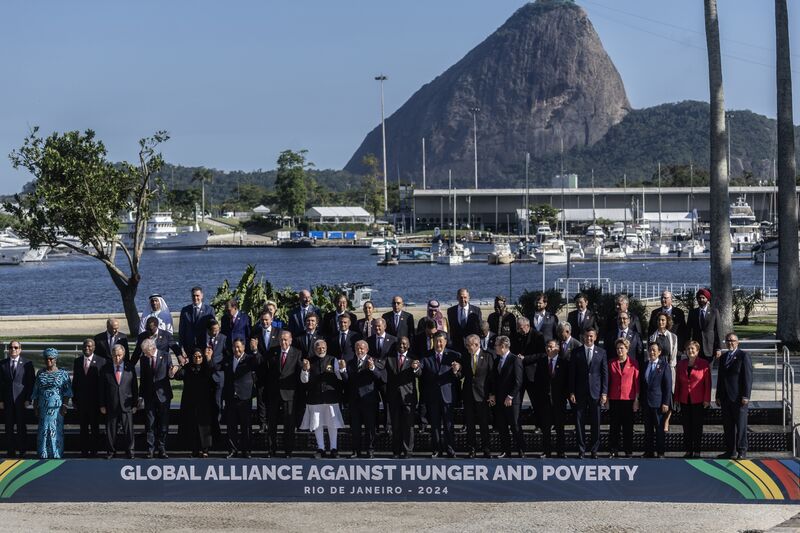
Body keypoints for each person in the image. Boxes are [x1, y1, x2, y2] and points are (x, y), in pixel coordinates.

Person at [419, 331, 462, 458]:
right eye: (436, 341)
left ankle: (450, 449)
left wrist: (456, 371)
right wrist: (416, 368)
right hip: (432, 396)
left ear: (445, 342)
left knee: (449, 425)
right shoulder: (426, 355)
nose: (438, 344)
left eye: (441, 341)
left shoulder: (454, 355)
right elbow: (419, 371)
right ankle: (436, 449)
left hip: (447, 396)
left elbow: (460, 376)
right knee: (435, 425)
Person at [300, 340, 345, 458]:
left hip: (331, 397)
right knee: (317, 424)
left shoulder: (333, 360)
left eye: (323, 347)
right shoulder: (309, 360)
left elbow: (340, 377)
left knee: (332, 424)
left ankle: (334, 448)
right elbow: (304, 380)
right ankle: (321, 448)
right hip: (314, 398)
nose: (321, 349)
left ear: (326, 348)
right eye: (319, 348)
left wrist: (341, 369)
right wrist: (305, 369)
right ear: (315, 349)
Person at [341, 340, 386, 458]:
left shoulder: (373, 360)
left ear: (366, 349)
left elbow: (379, 377)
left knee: (370, 427)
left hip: (369, 399)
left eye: (361, 348)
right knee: (355, 427)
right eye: (357, 349)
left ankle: (370, 450)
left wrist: (372, 368)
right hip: (354, 400)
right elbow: (347, 380)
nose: (359, 351)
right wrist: (343, 370)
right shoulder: (350, 363)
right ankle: (356, 450)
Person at [569, 328, 607, 459]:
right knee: (579, 422)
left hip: (596, 393)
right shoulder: (576, 352)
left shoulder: (602, 352)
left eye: (591, 336)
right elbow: (572, 374)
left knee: (596, 422)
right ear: (583, 337)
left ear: (595, 337)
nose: (589, 338)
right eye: (586, 336)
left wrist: (604, 393)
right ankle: (581, 449)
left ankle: (594, 450)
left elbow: (604, 374)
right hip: (579, 392)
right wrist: (572, 391)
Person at [265, 331, 303, 457]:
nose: (284, 342)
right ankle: (272, 449)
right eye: (281, 340)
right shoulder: (273, 351)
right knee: (272, 424)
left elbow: (298, 374)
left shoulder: (297, 353)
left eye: (286, 340)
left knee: (289, 424)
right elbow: (268, 371)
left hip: (289, 394)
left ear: (291, 340)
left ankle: (288, 451)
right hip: (274, 393)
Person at [172, 348, 215, 458]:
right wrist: (180, 365)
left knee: (204, 427)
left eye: (200, 356)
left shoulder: (206, 367)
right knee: (192, 426)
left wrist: (209, 359)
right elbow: (177, 376)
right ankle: (194, 449)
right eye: (195, 356)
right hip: (190, 402)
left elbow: (212, 373)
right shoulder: (188, 368)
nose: (197, 358)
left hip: (204, 402)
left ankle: (205, 449)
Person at [31, 348, 73, 459]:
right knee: (43, 430)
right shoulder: (40, 373)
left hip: (57, 408)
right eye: (46, 359)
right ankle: (43, 453)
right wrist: (35, 407)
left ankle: (56, 453)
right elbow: (36, 390)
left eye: (51, 359)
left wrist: (65, 405)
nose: (48, 361)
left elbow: (67, 391)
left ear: (55, 359)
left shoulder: (63, 373)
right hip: (43, 407)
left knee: (56, 431)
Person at [716, 333, 752, 459]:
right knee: (728, 426)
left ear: (737, 342)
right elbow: (720, 378)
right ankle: (730, 450)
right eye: (728, 340)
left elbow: (748, 377)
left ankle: (742, 451)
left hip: (739, 398)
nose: (730, 343)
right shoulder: (724, 357)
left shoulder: (743, 356)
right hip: (725, 398)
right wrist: (718, 395)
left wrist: (746, 395)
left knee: (741, 426)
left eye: (732, 340)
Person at [138, 337, 176, 458]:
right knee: (150, 423)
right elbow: (143, 379)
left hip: (163, 395)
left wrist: (172, 372)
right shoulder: (144, 359)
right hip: (149, 396)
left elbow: (170, 373)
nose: (145, 354)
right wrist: (140, 396)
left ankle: (162, 448)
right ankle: (150, 449)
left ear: (152, 348)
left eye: (146, 352)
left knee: (163, 423)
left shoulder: (165, 355)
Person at [222, 339, 260, 458]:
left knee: (246, 425)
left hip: (244, 397)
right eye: (234, 347)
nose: (236, 350)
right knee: (231, 425)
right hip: (230, 397)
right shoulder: (228, 359)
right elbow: (217, 367)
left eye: (238, 347)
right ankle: (233, 449)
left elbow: (258, 362)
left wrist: (255, 350)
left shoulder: (249, 359)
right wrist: (209, 359)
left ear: (243, 347)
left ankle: (246, 450)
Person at [384, 336, 421, 458]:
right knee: (396, 425)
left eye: (404, 344)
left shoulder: (414, 358)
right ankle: (396, 451)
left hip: (408, 398)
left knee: (408, 426)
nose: (402, 346)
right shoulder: (390, 358)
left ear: (408, 345)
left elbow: (420, 373)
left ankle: (408, 451)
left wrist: (416, 369)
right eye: (400, 344)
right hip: (393, 397)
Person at [99, 344, 138, 459]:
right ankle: (111, 451)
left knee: (129, 430)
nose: (117, 358)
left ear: (124, 355)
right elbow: (101, 388)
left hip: (127, 404)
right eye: (115, 356)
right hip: (111, 404)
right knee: (111, 430)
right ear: (111, 355)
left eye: (119, 355)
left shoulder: (130, 368)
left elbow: (134, 387)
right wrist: (102, 404)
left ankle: (130, 451)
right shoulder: (105, 369)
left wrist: (135, 404)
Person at [675, 340, 711, 458]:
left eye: (693, 349)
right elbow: (678, 383)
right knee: (686, 426)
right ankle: (688, 450)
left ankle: (697, 450)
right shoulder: (681, 364)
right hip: (684, 400)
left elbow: (707, 383)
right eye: (688, 349)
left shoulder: (704, 364)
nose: (690, 351)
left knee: (697, 426)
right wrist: (676, 398)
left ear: (697, 351)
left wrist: (707, 399)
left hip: (698, 400)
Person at [72, 338, 107, 457]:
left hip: (95, 402)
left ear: (94, 347)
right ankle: (84, 450)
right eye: (85, 346)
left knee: (94, 427)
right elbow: (75, 381)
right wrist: (74, 398)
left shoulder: (101, 361)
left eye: (89, 346)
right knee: (83, 428)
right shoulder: (77, 361)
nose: (87, 348)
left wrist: (102, 402)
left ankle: (94, 450)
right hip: (81, 401)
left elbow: (103, 384)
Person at [462, 334, 495, 458]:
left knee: (484, 424)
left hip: (483, 395)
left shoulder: (487, 356)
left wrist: (492, 393)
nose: (467, 348)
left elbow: (492, 376)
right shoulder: (465, 356)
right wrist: (456, 371)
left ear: (476, 345)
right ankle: (472, 449)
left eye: (468, 345)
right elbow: (461, 375)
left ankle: (486, 449)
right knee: (470, 424)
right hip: (469, 395)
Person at [0, 340, 34, 458]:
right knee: (8, 427)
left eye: (15, 347)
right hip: (7, 401)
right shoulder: (2, 364)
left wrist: (28, 399)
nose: (13, 349)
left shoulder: (27, 363)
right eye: (10, 347)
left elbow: (30, 382)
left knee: (21, 426)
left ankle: (22, 450)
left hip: (21, 401)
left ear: (20, 349)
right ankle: (10, 451)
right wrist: (0, 400)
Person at [607, 338, 639, 458]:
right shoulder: (611, 363)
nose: (619, 350)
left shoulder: (634, 363)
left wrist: (636, 400)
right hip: (615, 399)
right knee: (614, 426)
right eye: (618, 348)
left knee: (628, 427)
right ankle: (613, 449)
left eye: (622, 348)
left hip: (628, 399)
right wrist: (607, 399)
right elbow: (608, 381)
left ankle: (628, 450)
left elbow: (636, 383)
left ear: (627, 349)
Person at [493, 335, 524, 458]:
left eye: (496, 345)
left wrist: (510, 396)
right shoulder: (497, 360)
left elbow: (518, 381)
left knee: (515, 425)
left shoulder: (515, 359)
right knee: (502, 426)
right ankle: (506, 450)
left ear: (503, 346)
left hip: (512, 400)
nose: (494, 347)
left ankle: (521, 450)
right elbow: (494, 380)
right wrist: (493, 394)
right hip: (500, 399)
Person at [640, 342, 672, 458]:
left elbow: (668, 386)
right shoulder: (644, 365)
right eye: (650, 350)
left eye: (654, 350)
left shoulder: (664, 366)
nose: (651, 352)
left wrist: (666, 402)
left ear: (659, 352)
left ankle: (660, 452)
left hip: (659, 403)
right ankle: (649, 451)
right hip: (646, 403)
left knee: (659, 429)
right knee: (647, 429)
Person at [251, 310, 280, 435]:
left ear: (272, 319)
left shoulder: (278, 333)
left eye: (267, 320)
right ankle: (262, 424)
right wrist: (255, 350)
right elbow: (255, 354)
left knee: (273, 399)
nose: (264, 322)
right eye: (262, 320)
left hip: (274, 372)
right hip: (261, 372)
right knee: (261, 399)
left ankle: (273, 423)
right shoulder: (255, 335)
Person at [199, 319, 227, 439]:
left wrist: (216, 366)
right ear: (209, 331)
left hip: (218, 375)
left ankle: (217, 428)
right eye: (213, 330)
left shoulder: (223, 339)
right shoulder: (203, 339)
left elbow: (226, 357)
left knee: (217, 402)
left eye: (217, 329)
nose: (215, 332)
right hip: (206, 376)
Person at [687, 288, 723, 362]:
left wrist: (718, 348)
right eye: (699, 298)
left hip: (710, 348)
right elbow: (688, 331)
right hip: (696, 349)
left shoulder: (714, 312)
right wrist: (687, 346)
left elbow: (718, 331)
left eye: (703, 298)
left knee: (707, 371)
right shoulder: (692, 313)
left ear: (707, 299)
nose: (701, 300)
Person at [179, 286, 215, 358]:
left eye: (197, 296)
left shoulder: (209, 310)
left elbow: (212, 329)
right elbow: (182, 330)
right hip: (189, 347)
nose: (195, 298)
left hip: (204, 346)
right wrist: (181, 348)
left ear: (202, 296)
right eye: (193, 296)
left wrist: (210, 345)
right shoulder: (185, 311)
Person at [447, 288, 482, 353]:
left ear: (469, 297)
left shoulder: (476, 310)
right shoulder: (451, 311)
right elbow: (451, 329)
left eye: (465, 297)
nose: (463, 300)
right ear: (457, 298)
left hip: (471, 347)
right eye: (461, 297)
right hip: (456, 347)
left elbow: (479, 329)